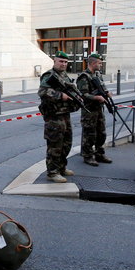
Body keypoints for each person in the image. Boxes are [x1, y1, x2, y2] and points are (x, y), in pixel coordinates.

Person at [38, 51, 80, 183]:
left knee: (66, 143)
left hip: (64, 114)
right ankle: (52, 172)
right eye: (61, 61)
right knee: (55, 144)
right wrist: (60, 95)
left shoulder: (65, 76)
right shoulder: (49, 75)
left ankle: (61, 167)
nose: (63, 64)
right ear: (54, 61)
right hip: (53, 116)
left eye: (66, 62)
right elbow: (42, 91)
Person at [76, 53, 112, 166]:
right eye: (99, 63)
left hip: (98, 109)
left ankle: (99, 153)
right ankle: (87, 156)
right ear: (93, 63)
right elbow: (82, 95)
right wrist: (96, 97)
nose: (101, 65)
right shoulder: (84, 77)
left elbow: (102, 87)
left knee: (101, 133)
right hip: (89, 110)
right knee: (89, 134)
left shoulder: (97, 75)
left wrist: (107, 93)